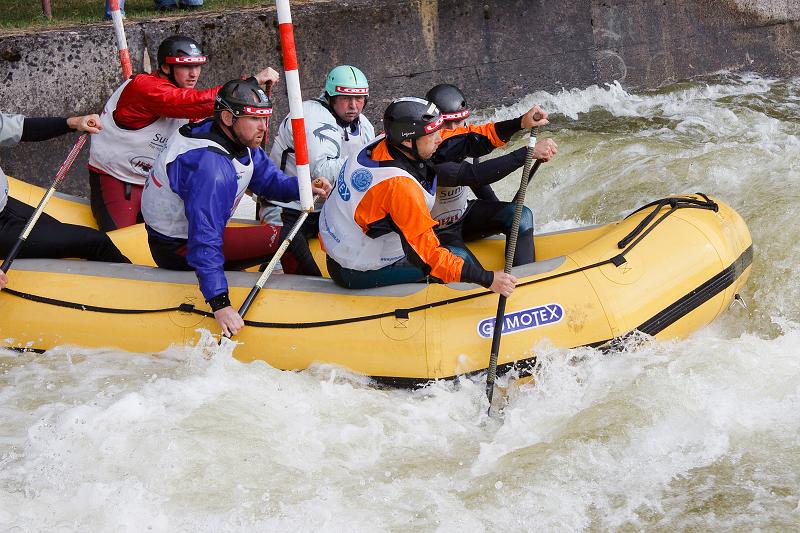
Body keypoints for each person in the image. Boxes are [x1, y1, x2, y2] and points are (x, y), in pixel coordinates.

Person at [141, 79, 331, 337]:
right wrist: (220, 304)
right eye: (255, 119)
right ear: (228, 118)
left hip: (188, 235)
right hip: (177, 247)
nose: (264, 128)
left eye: (265, 118)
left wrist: (305, 187)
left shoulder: (238, 140)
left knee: (283, 232)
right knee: (286, 236)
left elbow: (268, 181)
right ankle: (321, 305)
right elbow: (204, 240)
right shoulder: (211, 169)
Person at [319, 97, 516, 296]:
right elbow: (429, 258)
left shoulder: (386, 142)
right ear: (407, 140)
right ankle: (482, 302)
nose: (439, 138)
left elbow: (458, 139)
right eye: (433, 134)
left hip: (342, 247)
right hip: (355, 271)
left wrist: (518, 124)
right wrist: (488, 279)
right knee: (459, 256)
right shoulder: (399, 188)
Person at [88, 34, 278, 231]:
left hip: (158, 182)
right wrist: (251, 83)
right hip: (117, 177)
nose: (194, 74)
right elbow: (190, 102)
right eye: (186, 66)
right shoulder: (143, 87)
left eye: (197, 66)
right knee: (119, 243)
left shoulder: (189, 103)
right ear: (165, 67)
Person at [258, 65, 375, 275]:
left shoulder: (364, 125)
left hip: (327, 209)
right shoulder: (311, 115)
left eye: (359, 99)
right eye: (345, 98)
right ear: (330, 96)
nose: (353, 106)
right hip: (285, 207)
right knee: (297, 267)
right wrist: (370, 159)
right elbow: (322, 171)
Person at [425, 83, 557, 266]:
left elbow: (481, 186)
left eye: (459, 121)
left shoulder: (464, 142)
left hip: (463, 217)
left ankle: (525, 281)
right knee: (464, 263)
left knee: (521, 215)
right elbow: (476, 175)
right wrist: (527, 153)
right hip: (436, 233)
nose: (455, 128)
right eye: (447, 123)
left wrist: (502, 216)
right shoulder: (428, 154)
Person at [0, 112, 131, 278]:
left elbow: (19, 128)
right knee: (94, 241)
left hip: (5, 207)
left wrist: (73, 123)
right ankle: (141, 290)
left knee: (60, 232)